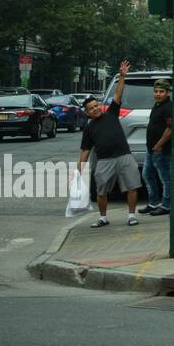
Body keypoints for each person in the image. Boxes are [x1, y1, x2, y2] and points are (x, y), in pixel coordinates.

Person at [75, 60, 141, 227]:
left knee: (132, 186)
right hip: (105, 161)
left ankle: (131, 215)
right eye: (91, 108)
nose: (95, 109)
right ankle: (103, 217)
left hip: (124, 156)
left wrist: (122, 76)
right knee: (101, 191)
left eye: (97, 105)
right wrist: (78, 171)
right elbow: (85, 151)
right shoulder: (89, 128)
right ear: (87, 113)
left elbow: (118, 95)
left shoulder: (111, 113)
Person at [139, 78, 172, 216]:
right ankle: (153, 203)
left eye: (161, 91)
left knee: (165, 178)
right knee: (147, 175)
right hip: (150, 149)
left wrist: (159, 145)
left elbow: (170, 128)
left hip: (161, 150)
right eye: (156, 91)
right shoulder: (157, 105)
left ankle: (166, 205)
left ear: (168, 92)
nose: (158, 94)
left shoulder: (168, 107)